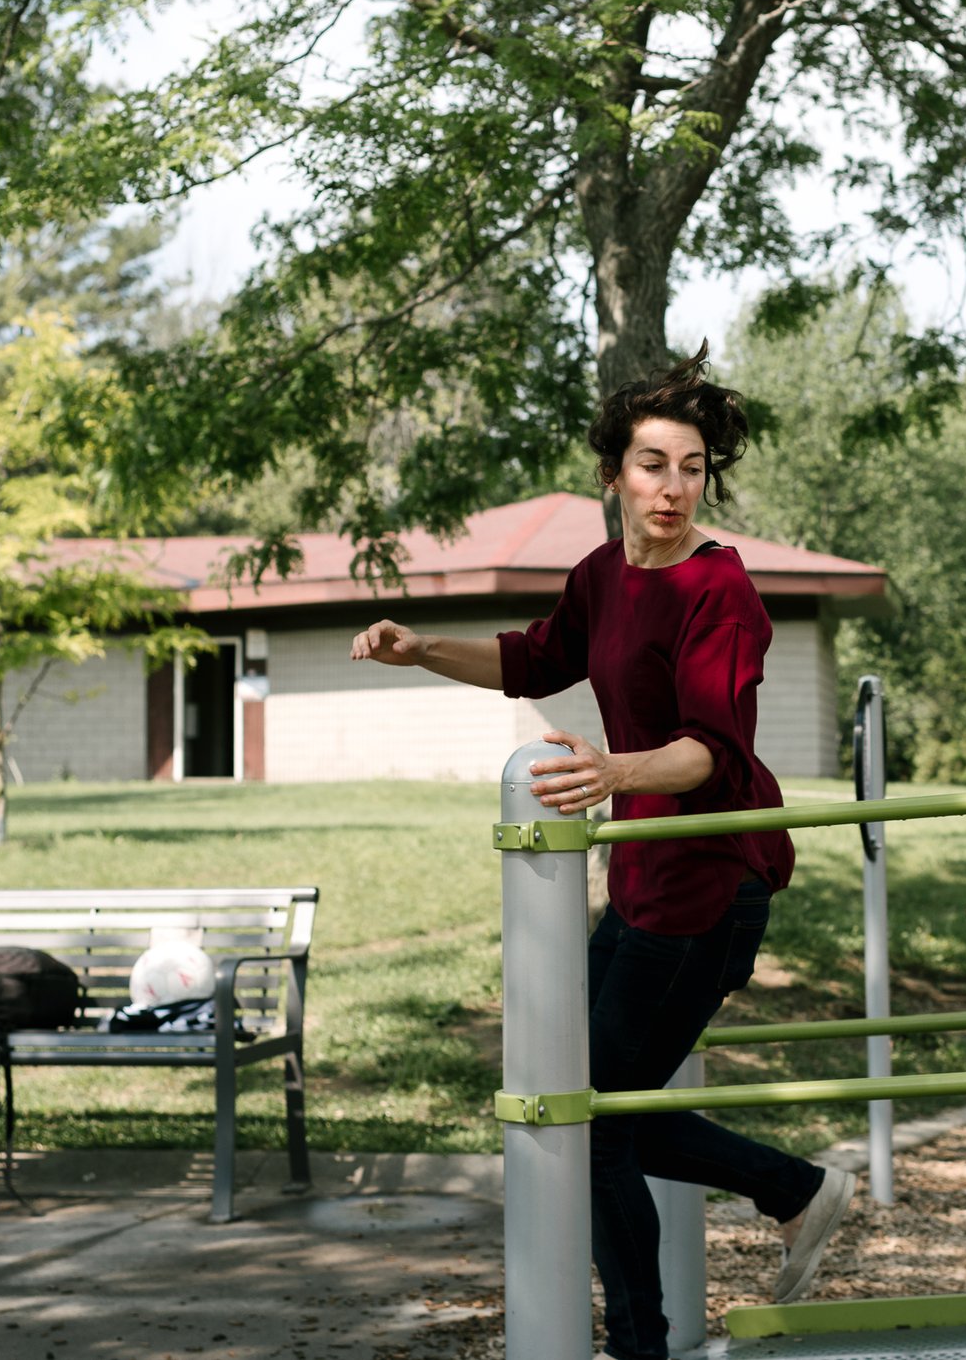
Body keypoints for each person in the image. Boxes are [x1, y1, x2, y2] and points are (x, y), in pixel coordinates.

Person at [349, 345, 854, 1360]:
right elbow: (532, 658)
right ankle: (792, 1189)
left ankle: (650, 1335)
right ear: (614, 474)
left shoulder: (723, 592)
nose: (672, 486)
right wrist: (420, 648)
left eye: (692, 466)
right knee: (585, 1108)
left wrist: (613, 773)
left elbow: (710, 753)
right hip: (639, 884)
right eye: (652, 463)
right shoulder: (604, 575)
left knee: (595, 1121)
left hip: (710, 879)